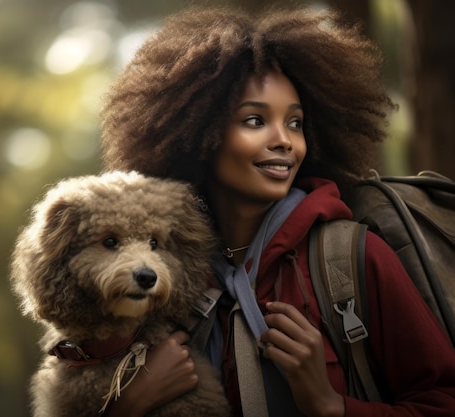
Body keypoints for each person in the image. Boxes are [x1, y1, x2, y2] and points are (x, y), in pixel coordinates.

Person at [97, 5, 455, 417]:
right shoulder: (162, 275)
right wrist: (128, 404)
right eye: (255, 120)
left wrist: (330, 405)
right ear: (200, 134)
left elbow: (443, 400)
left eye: (296, 123)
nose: (284, 141)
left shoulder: (352, 257)